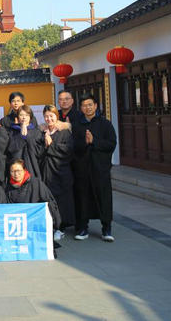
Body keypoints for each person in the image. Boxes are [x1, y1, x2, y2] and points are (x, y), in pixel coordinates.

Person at [71, 94, 117, 242]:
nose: (87, 107)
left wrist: (94, 141)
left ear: (96, 106)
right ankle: (83, 227)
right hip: (83, 169)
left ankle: (106, 228)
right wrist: (85, 143)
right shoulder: (78, 125)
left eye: (90, 104)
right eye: (84, 105)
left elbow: (111, 144)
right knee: (83, 198)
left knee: (104, 198)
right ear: (81, 108)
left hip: (100, 169)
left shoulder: (105, 124)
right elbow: (74, 146)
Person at [37, 105, 75, 232]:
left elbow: (69, 150)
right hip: (46, 171)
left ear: (56, 117)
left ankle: (61, 227)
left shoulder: (64, 132)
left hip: (60, 170)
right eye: (46, 116)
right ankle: (51, 225)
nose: (49, 119)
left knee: (62, 200)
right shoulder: (42, 132)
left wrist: (51, 145)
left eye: (51, 116)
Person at [4, 159, 62, 236]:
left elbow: (50, 203)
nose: (16, 174)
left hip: (36, 221)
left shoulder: (36, 183)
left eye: (19, 171)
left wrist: (55, 225)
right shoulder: (7, 187)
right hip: (18, 223)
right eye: (13, 171)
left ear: (24, 170)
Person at [4, 104, 42, 180]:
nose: (24, 117)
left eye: (27, 115)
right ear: (17, 117)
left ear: (30, 117)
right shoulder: (12, 131)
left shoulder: (36, 131)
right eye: (21, 115)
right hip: (16, 165)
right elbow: (10, 149)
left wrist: (27, 137)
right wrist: (21, 136)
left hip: (32, 164)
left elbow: (39, 151)